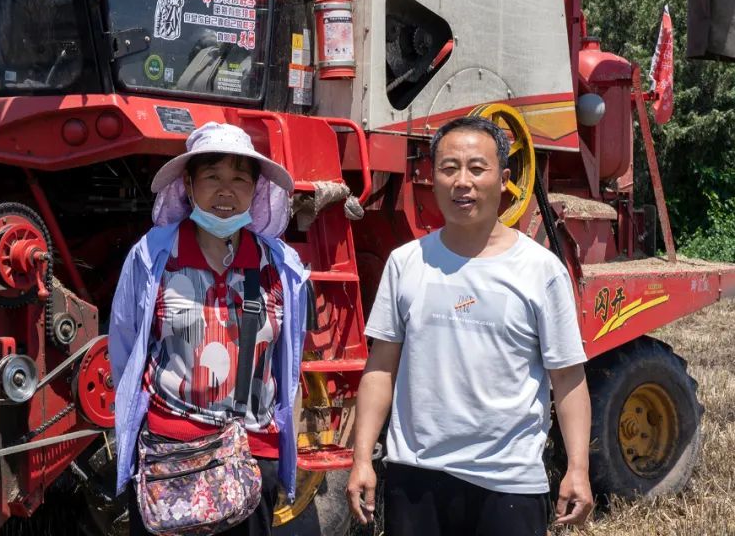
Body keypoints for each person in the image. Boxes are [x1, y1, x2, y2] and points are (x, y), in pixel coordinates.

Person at [346, 116, 594, 535]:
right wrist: (361, 458)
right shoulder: (406, 263)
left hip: (509, 482)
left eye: (477, 168)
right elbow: (381, 367)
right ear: (432, 178)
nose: (463, 182)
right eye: (449, 168)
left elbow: (567, 376)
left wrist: (578, 468)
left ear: (505, 180)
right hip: (416, 476)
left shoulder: (540, 270)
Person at [108, 122, 309, 535]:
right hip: (170, 460)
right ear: (188, 184)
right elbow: (125, 352)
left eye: (239, 179)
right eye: (212, 177)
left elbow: (288, 363)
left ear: (255, 189)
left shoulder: (278, 266)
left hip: (252, 458)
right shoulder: (153, 257)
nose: (225, 191)